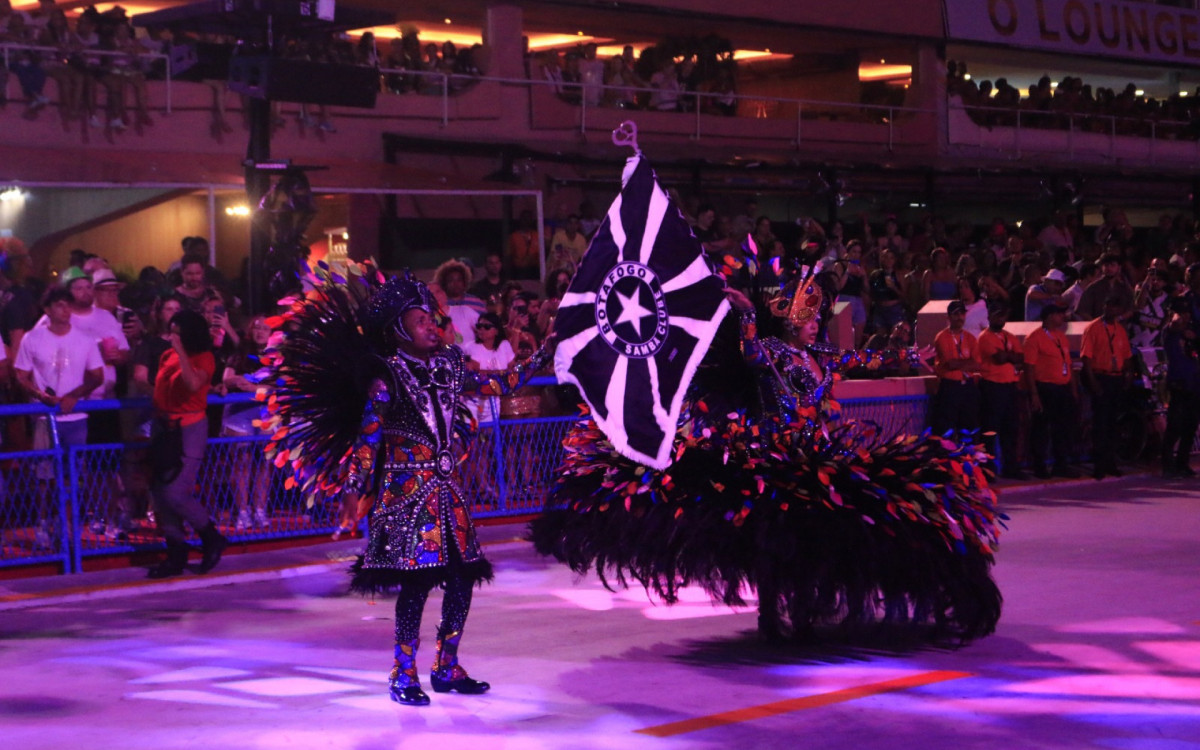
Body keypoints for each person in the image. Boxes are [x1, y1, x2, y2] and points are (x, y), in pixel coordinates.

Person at [532, 271, 1002, 644]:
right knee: (777, 539)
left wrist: (908, 355)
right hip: (780, 459)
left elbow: (860, 360)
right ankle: (775, 615)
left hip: (821, 456)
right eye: (809, 317)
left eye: (817, 317)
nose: (816, 323)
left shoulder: (820, 353)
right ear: (792, 320)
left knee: (832, 532)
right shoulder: (774, 352)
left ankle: (809, 604)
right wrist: (745, 316)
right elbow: (752, 353)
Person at [259, 268, 552, 706]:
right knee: (415, 586)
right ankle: (403, 672)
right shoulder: (387, 378)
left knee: (462, 580)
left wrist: (545, 350)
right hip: (406, 497)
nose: (432, 326)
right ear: (398, 330)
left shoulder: (450, 366)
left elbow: (500, 383)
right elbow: (368, 438)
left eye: (432, 319)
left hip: (448, 492)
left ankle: (447, 666)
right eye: (420, 321)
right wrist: (353, 488)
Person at [13, 287, 104, 549]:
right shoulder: (33, 338)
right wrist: (39, 395)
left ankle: (68, 527)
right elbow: (20, 374)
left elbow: (97, 375)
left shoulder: (85, 339)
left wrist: (73, 396)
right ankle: (43, 523)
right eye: (60, 305)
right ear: (48, 310)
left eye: (68, 305)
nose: (65, 310)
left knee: (73, 475)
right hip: (45, 418)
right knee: (44, 476)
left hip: (76, 418)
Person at [146, 309, 227, 579]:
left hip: (189, 428)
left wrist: (180, 351)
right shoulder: (166, 356)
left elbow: (192, 384)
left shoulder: (204, 358)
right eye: (171, 332)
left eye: (178, 334)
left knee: (175, 492)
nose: (172, 338)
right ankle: (176, 554)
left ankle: (211, 536)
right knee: (161, 494)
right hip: (163, 426)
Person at [1079, 295, 1134, 479]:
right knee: (1100, 423)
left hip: (1116, 379)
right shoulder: (1093, 328)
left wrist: (1128, 375)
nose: (1112, 310)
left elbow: (1127, 356)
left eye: (1116, 307)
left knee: (1113, 423)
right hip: (1100, 377)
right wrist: (1093, 382)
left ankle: (1111, 462)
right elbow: (1086, 358)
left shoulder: (1120, 329)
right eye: (1110, 306)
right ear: (1104, 306)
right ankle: (1099, 465)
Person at [1023, 302, 1080, 479]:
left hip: (1062, 388)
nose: (1062, 317)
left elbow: (1068, 364)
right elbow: (1029, 368)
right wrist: (1034, 394)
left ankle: (1060, 465)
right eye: (1059, 314)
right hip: (1045, 388)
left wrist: (1073, 390)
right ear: (1049, 316)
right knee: (1041, 429)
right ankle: (1039, 466)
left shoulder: (1061, 337)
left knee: (1062, 428)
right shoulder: (1034, 338)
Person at [976, 301, 1025, 479]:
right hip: (992, 386)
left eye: (1003, 315)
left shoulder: (1009, 336)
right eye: (997, 315)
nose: (1000, 319)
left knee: (1011, 428)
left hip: (1010, 386)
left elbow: (1021, 357)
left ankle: (1011, 468)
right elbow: (999, 358)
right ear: (989, 317)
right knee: (990, 429)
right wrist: (1010, 356)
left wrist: (1009, 356)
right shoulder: (985, 337)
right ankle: (988, 470)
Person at [1160, 297, 1200, 478]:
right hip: (1178, 382)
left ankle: (1182, 463)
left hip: (1194, 381)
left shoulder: (1193, 331)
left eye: (1187, 313)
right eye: (1181, 312)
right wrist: (1179, 320)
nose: (1185, 316)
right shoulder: (1170, 331)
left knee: (1190, 425)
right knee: (1174, 425)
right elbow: (1174, 325)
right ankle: (1167, 464)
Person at [931, 300, 981, 439]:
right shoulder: (942, 337)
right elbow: (951, 364)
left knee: (968, 428)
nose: (960, 317)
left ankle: (967, 452)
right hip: (949, 387)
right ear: (948, 317)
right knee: (946, 430)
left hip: (968, 386)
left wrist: (961, 363)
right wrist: (968, 363)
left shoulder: (970, 338)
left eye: (962, 314)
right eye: (956, 314)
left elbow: (977, 365)